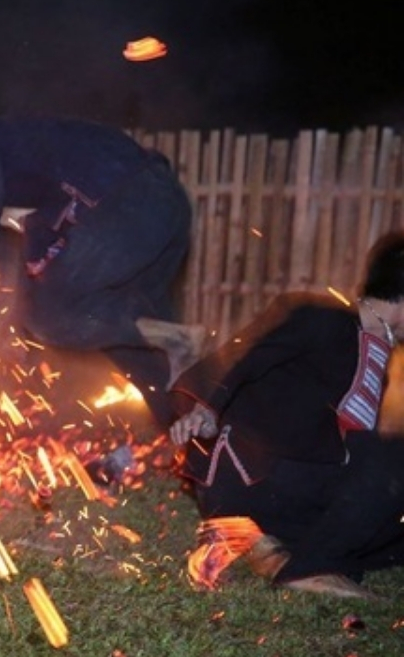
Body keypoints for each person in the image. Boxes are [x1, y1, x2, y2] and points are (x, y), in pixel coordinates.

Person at [169, 231, 404, 598]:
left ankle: (268, 546)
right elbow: (245, 354)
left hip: (298, 491)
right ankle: (309, 567)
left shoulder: (381, 354)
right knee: (394, 455)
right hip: (257, 477)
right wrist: (209, 407)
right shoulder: (323, 316)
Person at [0, 116, 202, 427]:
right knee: (123, 332)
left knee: (46, 314)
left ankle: (178, 341)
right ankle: (192, 427)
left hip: (123, 203)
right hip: (165, 205)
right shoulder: (37, 172)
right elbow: (36, 234)